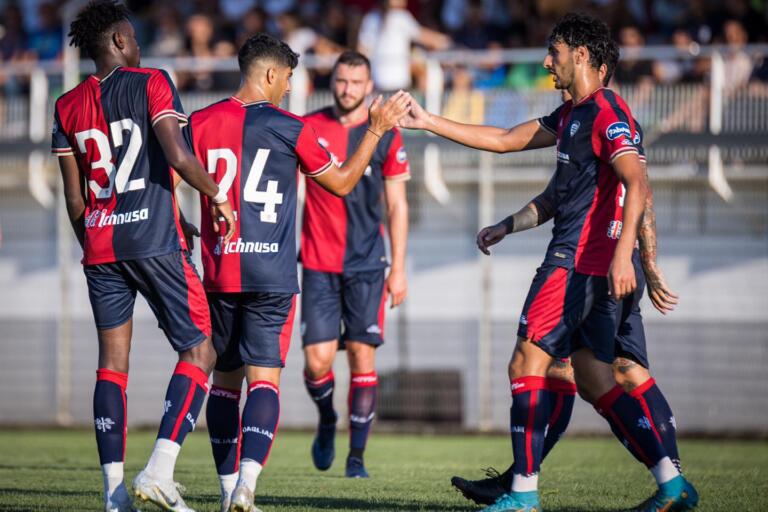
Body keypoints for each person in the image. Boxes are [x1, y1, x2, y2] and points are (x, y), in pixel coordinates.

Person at [399, 13, 697, 512]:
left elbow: (638, 183)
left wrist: (629, 258)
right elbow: (505, 140)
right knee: (596, 378)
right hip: (588, 264)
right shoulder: (573, 115)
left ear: (581, 55)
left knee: (527, 362)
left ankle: (522, 495)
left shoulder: (606, 113)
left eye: (553, 52)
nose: (546, 61)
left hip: (578, 263)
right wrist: (428, 121)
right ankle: (671, 485)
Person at [185, 34, 410, 512]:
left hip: (222, 270)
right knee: (273, 378)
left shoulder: (198, 122)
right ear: (270, 74)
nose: (289, 86)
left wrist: (181, 228)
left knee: (224, 384)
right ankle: (247, 486)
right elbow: (343, 182)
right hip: (277, 271)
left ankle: (229, 487)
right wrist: (375, 129)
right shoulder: (296, 126)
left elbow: (168, 170)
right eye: (287, 77)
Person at [52, 2, 235, 512]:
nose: (137, 45)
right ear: (115, 42)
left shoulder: (65, 104)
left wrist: (96, 237)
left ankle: (113, 495)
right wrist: (218, 196)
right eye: (130, 37)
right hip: (153, 243)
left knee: (111, 365)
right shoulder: (151, 80)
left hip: (101, 244)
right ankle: (159, 470)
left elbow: (74, 198)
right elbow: (176, 156)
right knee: (201, 352)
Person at [299, 50, 410, 479]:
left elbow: (397, 206)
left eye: (356, 82)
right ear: (333, 82)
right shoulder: (309, 127)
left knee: (362, 357)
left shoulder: (385, 133)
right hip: (318, 263)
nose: (347, 89)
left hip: (367, 264)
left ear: (369, 86)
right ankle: (327, 419)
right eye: (341, 81)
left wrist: (398, 268)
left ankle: (356, 459)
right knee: (317, 362)